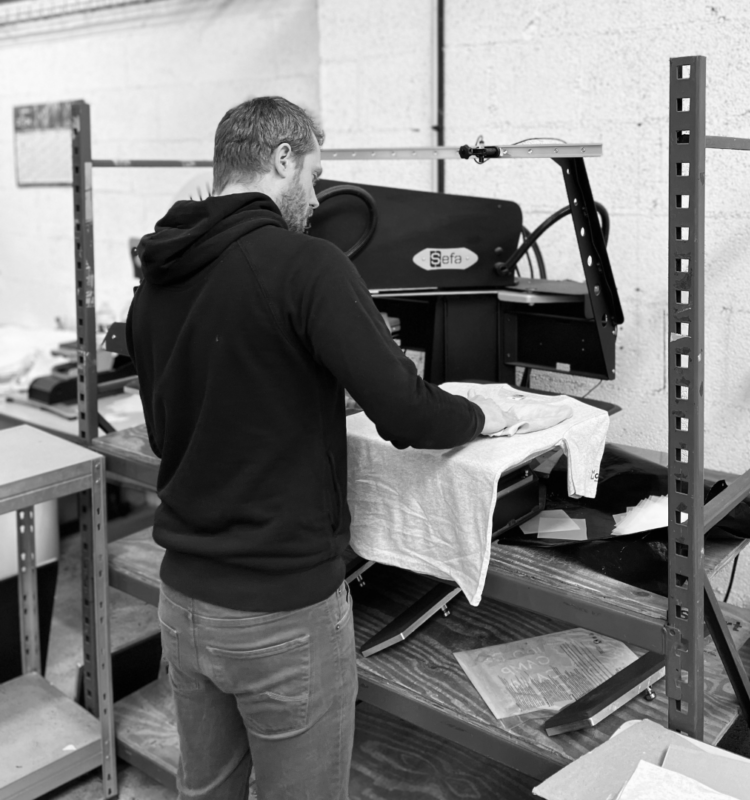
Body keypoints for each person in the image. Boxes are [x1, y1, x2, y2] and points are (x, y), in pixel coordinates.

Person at [125, 96, 513, 800]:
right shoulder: (307, 266)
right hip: (283, 613)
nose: (315, 196)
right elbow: (408, 413)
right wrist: (484, 415)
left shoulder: (156, 277)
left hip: (183, 605)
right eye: (313, 174)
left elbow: (171, 427)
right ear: (283, 159)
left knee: (204, 792)